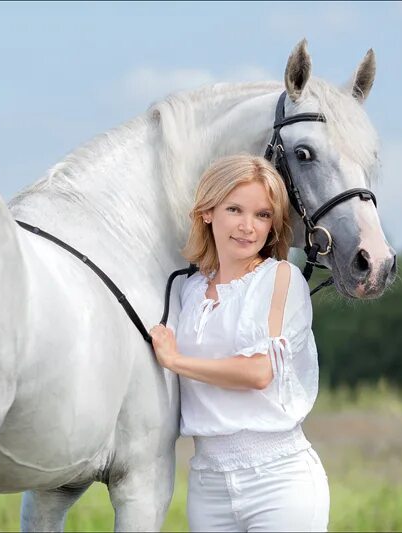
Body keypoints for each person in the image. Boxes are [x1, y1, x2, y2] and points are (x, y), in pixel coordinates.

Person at [149, 154, 329, 532]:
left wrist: (176, 361)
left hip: (278, 482)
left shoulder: (281, 278)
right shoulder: (187, 288)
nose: (248, 227)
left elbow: (259, 372)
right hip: (207, 484)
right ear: (208, 212)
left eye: (263, 215)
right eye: (235, 210)